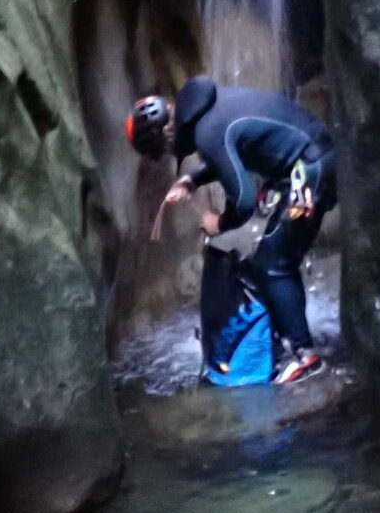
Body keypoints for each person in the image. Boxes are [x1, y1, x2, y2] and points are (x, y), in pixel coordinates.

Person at [126, 75, 336, 385]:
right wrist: (192, 181)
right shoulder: (209, 113)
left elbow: (243, 199)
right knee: (270, 257)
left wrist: (218, 222)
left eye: (164, 148)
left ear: (165, 134)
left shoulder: (208, 131)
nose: (170, 151)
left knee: (274, 264)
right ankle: (285, 340)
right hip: (310, 161)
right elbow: (228, 156)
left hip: (310, 168)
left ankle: (305, 357)